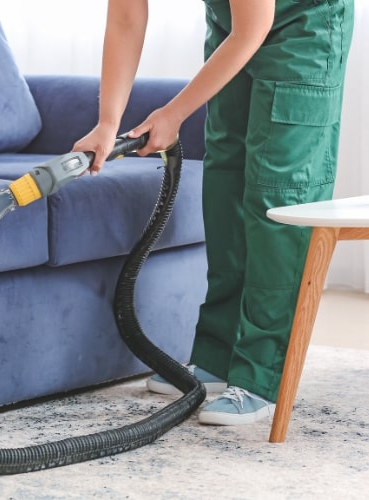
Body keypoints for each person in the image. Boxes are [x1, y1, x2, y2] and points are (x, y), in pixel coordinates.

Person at [73, 0, 354, 425]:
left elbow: (255, 25)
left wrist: (175, 114)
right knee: (225, 184)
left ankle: (264, 374)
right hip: (232, 24)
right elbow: (127, 16)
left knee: (275, 193)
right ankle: (217, 357)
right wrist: (108, 122)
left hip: (305, 23)